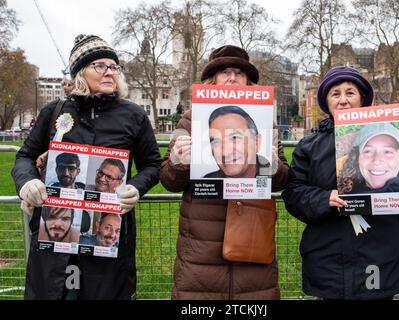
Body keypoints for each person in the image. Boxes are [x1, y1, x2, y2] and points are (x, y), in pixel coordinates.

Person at [11, 34, 161, 300]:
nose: (109, 73)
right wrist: (27, 183)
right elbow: (24, 157)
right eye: (100, 66)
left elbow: (152, 164)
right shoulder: (54, 112)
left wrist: (136, 188)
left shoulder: (134, 115)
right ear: (81, 72)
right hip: (55, 236)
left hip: (109, 237)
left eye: (114, 66)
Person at [281, 65, 399, 300]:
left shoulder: (393, 134)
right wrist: (325, 198)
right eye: (335, 94)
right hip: (328, 258)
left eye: (350, 92)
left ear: (362, 98)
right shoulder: (309, 145)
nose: (343, 100)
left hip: (383, 255)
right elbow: (293, 194)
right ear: (326, 101)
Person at [160, 45, 289, 300]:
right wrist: (177, 160)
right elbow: (168, 180)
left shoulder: (265, 119)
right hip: (201, 247)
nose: (232, 78)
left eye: (239, 73)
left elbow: (283, 179)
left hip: (253, 238)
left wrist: (272, 165)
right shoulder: (190, 118)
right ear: (213, 79)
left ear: (248, 81)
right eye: (225, 72)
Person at [338, 122, 399, 194]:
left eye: (387, 152)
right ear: (357, 158)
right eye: (368, 151)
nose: (377, 161)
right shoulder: (344, 194)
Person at [204, 105, 271, 178]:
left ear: (256, 142)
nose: (225, 153)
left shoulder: (274, 180)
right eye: (216, 142)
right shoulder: (206, 182)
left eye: (234, 138)